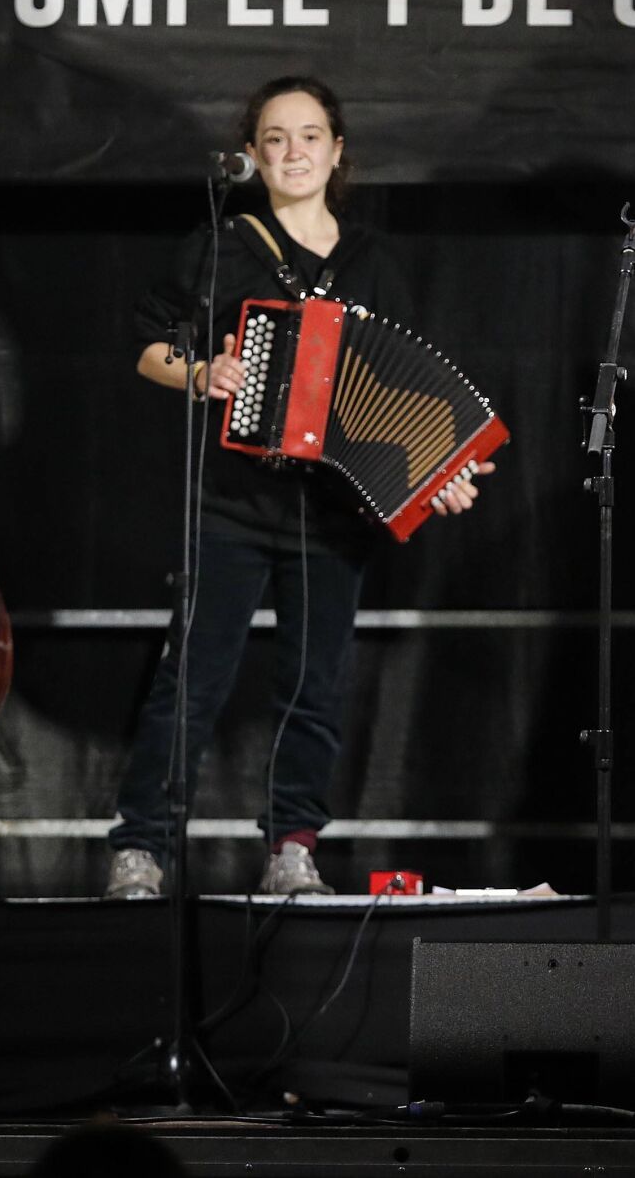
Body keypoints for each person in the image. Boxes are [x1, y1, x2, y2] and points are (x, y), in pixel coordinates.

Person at [104, 76, 491, 900]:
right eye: (275, 139)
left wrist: (439, 474)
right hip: (232, 505)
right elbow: (145, 343)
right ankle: (142, 844)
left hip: (332, 514)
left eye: (309, 136)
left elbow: (401, 395)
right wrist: (204, 370)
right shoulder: (223, 246)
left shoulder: (371, 262)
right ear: (252, 154)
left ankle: (293, 847)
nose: (293, 153)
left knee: (314, 689)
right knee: (192, 680)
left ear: (338, 151)